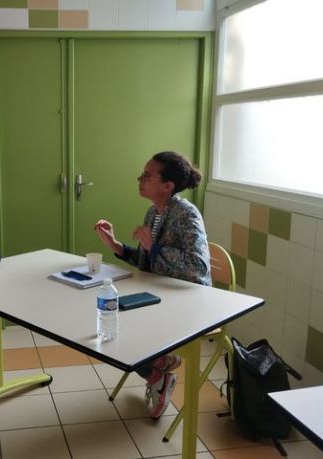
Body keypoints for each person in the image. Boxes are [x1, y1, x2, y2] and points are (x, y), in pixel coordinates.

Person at [94, 151, 211, 419]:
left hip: (186, 300)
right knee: (109, 321)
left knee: (119, 326)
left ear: (167, 186)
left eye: (147, 176)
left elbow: (198, 267)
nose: (140, 179)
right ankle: (160, 369)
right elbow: (148, 260)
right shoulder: (153, 212)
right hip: (158, 293)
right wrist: (117, 246)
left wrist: (155, 247)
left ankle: (160, 366)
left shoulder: (186, 214)